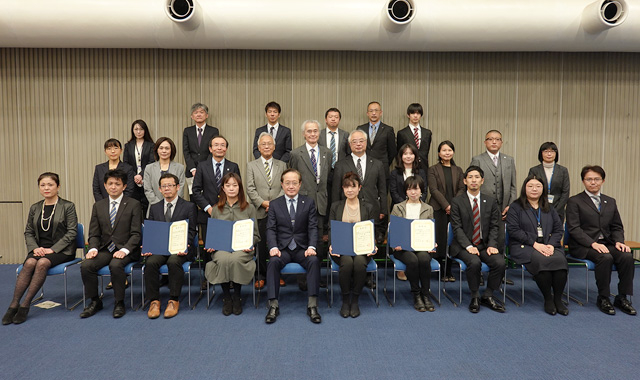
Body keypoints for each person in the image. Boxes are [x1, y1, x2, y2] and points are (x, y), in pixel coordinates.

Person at [3, 173, 78, 325]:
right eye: (43, 185)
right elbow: (29, 231)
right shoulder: (35, 207)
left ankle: (25, 305)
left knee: (42, 263)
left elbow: (72, 232)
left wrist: (54, 249)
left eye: (50, 185)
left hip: (62, 251)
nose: (46, 188)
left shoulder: (67, 206)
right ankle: (13, 304)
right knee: (30, 263)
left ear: (58, 186)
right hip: (39, 249)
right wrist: (34, 248)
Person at [566, 165, 636, 316]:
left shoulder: (610, 201)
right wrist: (593, 243)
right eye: (589, 179)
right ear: (583, 181)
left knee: (626, 256)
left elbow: (617, 226)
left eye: (596, 179)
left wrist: (619, 241)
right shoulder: (574, 201)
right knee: (605, 257)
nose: (593, 182)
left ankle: (622, 297)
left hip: (607, 243)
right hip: (583, 245)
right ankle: (603, 297)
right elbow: (574, 229)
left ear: (603, 181)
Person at [80, 169, 142, 319]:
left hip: (127, 249)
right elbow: (94, 233)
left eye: (117, 184)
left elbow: (136, 234)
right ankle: (95, 301)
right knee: (86, 265)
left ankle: (119, 302)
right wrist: (93, 248)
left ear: (124, 186)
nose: (113, 187)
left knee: (116, 265)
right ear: (105, 186)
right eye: (110, 184)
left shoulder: (134, 204)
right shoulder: (98, 206)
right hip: (105, 248)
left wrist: (126, 250)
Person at [506, 175, 568, 316]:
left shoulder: (549, 208)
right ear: (524, 188)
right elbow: (514, 230)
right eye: (530, 186)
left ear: (543, 189)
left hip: (548, 245)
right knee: (542, 261)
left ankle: (558, 299)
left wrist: (552, 245)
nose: (534, 189)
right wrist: (535, 244)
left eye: (538, 186)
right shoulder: (515, 207)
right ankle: (548, 299)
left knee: (560, 261)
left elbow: (559, 230)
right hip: (524, 246)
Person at [265, 169, 321, 324]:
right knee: (273, 263)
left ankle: (312, 305)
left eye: (294, 183)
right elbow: (270, 228)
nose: (291, 186)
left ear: (300, 184)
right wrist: (273, 247)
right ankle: (273, 305)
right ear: (282, 184)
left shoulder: (308, 202)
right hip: (282, 249)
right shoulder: (275, 204)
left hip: (302, 248)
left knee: (314, 261)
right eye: (287, 183)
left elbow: (312, 227)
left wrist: (312, 247)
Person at [450, 166, 506, 313]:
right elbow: (457, 228)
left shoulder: (491, 201)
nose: (473, 180)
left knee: (500, 262)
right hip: (464, 246)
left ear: (482, 181)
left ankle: (487, 295)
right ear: (465, 181)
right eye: (470, 177)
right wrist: (468, 246)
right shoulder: (457, 202)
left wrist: (493, 244)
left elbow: (495, 225)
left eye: (476, 177)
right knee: (474, 262)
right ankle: (475, 296)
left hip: (485, 244)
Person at [143, 173, 197, 319]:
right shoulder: (154, 208)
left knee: (174, 262)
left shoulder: (189, 206)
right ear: (160, 189)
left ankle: (173, 300)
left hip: (180, 248)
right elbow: (151, 230)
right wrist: (148, 246)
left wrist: (185, 244)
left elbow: (192, 230)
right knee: (151, 262)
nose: (167, 189)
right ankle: (154, 301)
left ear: (178, 187)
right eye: (164, 186)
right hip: (160, 248)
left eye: (170, 185)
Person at [204, 173, 259, 316]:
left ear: (240, 188)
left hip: (243, 248)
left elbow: (256, 234)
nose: (231, 188)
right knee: (222, 259)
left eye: (235, 185)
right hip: (222, 247)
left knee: (235, 259)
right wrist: (211, 244)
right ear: (223, 188)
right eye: (228, 185)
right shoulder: (216, 209)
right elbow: (213, 233)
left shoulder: (249, 208)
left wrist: (250, 243)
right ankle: (227, 297)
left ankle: (237, 296)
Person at [288, 120, 332, 289]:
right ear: (303, 134)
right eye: (309, 131)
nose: (312, 134)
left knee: (319, 242)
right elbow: (292, 179)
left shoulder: (327, 153)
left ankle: (316, 275)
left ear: (319, 133)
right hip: (302, 203)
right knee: (302, 239)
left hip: (321, 203)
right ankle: (302, 278)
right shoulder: (295, 153)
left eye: (315, 131)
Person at [328, 172, 377, 318]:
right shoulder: (336, 206)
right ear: (342, 189)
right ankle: (345, 300)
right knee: (348, 263)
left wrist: (373, 245)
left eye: (353, 187)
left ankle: (355, 300)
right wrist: (331, 245)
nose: (350, 190)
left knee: (360, 263)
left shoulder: (368, 207)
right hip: (341, 249)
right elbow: (331, 228)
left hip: (362, 248)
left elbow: (371, 229)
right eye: (346, 187)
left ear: (359, 188)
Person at [246, 132, 287, 290]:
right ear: (258, 147)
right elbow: (250, 188)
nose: (267, 146)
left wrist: (275, 205)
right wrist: (263, 203)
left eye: (270, 143)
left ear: (274, 146)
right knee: (261, 245)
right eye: (263, 144)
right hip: (260, 211)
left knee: (280, 243)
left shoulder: (282, 165)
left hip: (279, 211)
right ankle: (261, 275)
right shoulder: (251, 165)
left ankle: (278, 274)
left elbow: (286, 186)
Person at [390, 175, 437, 312]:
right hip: (402, 248)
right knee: (412, 260)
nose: (413, 192)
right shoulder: (397, 207)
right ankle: (416, 294)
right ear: (406, 191)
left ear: (421, 190)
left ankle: (426, 294)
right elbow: (394, 229)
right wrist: (396, 243)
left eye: (416, 189)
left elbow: (430, 229)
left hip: (421, 246)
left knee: (423, 258)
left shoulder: (428, 208)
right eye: (410, 189)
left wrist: (432, 243)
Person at [332, 129, 387, 244]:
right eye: (354, 141)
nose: (358, 144)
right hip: (348, 212)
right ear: (349, 144)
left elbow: (382, 189)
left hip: (372, 209)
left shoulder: (377, 164)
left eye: (361, 141)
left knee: (368, 243)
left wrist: (383, 209)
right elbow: (336, 191)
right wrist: (336, 211)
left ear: (366, 143)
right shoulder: (340, 165)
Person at [470, 130, 517, 251]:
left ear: (501, 142)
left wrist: (510, 205)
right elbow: (472, 184)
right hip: (483, 206)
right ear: (485, 142)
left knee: (500, 238)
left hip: (502, 208)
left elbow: (513, 185)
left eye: (497, 139)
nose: (494, 141)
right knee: (484, 237)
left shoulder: (509, 160)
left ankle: (499, 264)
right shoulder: (478, 159)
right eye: (490, 139)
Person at [428, 140, 466, 282]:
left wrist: (453, 206)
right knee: (440, 238)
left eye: (449, 150)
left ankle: (449, 270)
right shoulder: (433, 169)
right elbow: (433, 190)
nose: (447, 153)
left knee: (452, 239)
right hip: (438, 209)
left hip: (455, 210)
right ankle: (440, 270)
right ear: (439, 153)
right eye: (444, 150)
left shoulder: (459, 170)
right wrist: (446, 206)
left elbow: (462, 189)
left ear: (453, 152)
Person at [191, 135, 241, 244]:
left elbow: (238, 189)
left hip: (229, 213)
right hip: (208, 214)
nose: (219, 148)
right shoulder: (202, 166)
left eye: (222, 145)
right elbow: (196, 190)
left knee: (227, 244)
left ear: (226, 149)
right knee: (209, 248)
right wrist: (208, 208)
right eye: (216, 145)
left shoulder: (233, 166)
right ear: (210, 149)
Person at [528, 142, 570, 223]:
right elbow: (530, 190)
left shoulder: (563, 170)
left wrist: (557, 210)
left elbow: (565, 192)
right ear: (541, 153)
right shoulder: (534, 170)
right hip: (538, 208)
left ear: (556, 154)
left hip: (558, 209)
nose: (549, 154)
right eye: (546, 151)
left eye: (552, 151)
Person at [143, 137, 186, 211]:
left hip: (175, 209)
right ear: (157, 150)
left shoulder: (180, 167)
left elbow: (180, 188)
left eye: (167, 148)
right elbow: (148, 190)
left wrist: (171, 203)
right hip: (155, 208)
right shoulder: (149, 168)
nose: (164, 151)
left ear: (171, 150)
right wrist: (159, 205)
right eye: (161, 148)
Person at [123, 119, 155, 216]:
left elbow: (151, 162)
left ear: (145, 130)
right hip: (132, 180)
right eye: (136, 129)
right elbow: (126, 163)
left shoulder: (151, 145)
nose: (138, 132)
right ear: (132, 130)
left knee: (147, 207)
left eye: (141, 129)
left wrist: (141, 175)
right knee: (134, 208)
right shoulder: (128, 146)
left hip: (147, 179)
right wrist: (134, 176)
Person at [356, 101, 396, 178]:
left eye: (376, 111)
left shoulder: (388, 129)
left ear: (380, 113)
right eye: (371, 111)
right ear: (367, 113)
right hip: (364, 167)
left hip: (382, 168)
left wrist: (384, 162)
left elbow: (392, 151)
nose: (373, 113)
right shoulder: (360, 128)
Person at [182, 103, 219, 179]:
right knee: (192, 191)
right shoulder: (187, 131)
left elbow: (213, 150)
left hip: (209, 169)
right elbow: (186, 151)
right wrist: (192, 168)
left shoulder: (213, 131)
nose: (199, 115)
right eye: (196, 112)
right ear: (192, 116)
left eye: (201, 112)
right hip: (191, 171)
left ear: (207, 115)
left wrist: (205, 167)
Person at [396, 103, 432, 173]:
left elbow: (426, 151)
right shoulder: (402, 133)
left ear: (421, 115)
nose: (415, 116)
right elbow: (399, 153)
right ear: (408, 115)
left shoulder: (427, 133)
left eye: (418, 113)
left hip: (424, 168)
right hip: (407, 168)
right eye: (413, 113)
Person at [389, 143, 427, 208]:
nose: (408, 156)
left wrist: (416, 203)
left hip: (418, 207)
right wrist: (405, 204)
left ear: (415, 156)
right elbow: (393, 192)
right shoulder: (394, 173)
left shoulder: (421, 172)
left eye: (411, 154)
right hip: (399, 208)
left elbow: (424, 191)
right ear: (401, 156)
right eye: (405, 154)